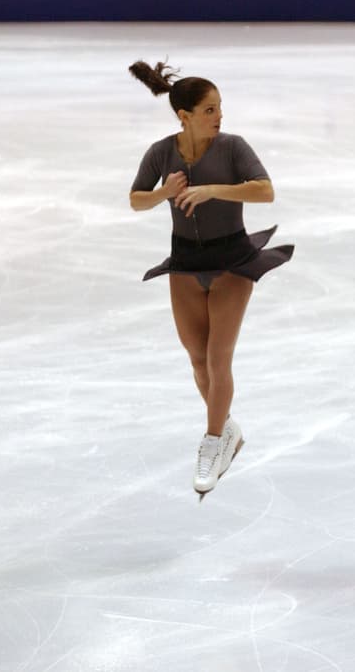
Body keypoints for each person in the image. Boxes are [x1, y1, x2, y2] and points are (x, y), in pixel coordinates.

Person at [129, 61, 294, 499]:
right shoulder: (161, 153)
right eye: (208, 109)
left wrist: (212, 189)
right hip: (184, 263)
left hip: (231, 262)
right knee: (198, 359)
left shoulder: (233, 147)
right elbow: (135, 201)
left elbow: (265, 190)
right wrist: (164, 193)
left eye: (219, 107)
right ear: (184, 116)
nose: (218, 115)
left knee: (219, 360)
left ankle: (211, 442)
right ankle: (227, 431)